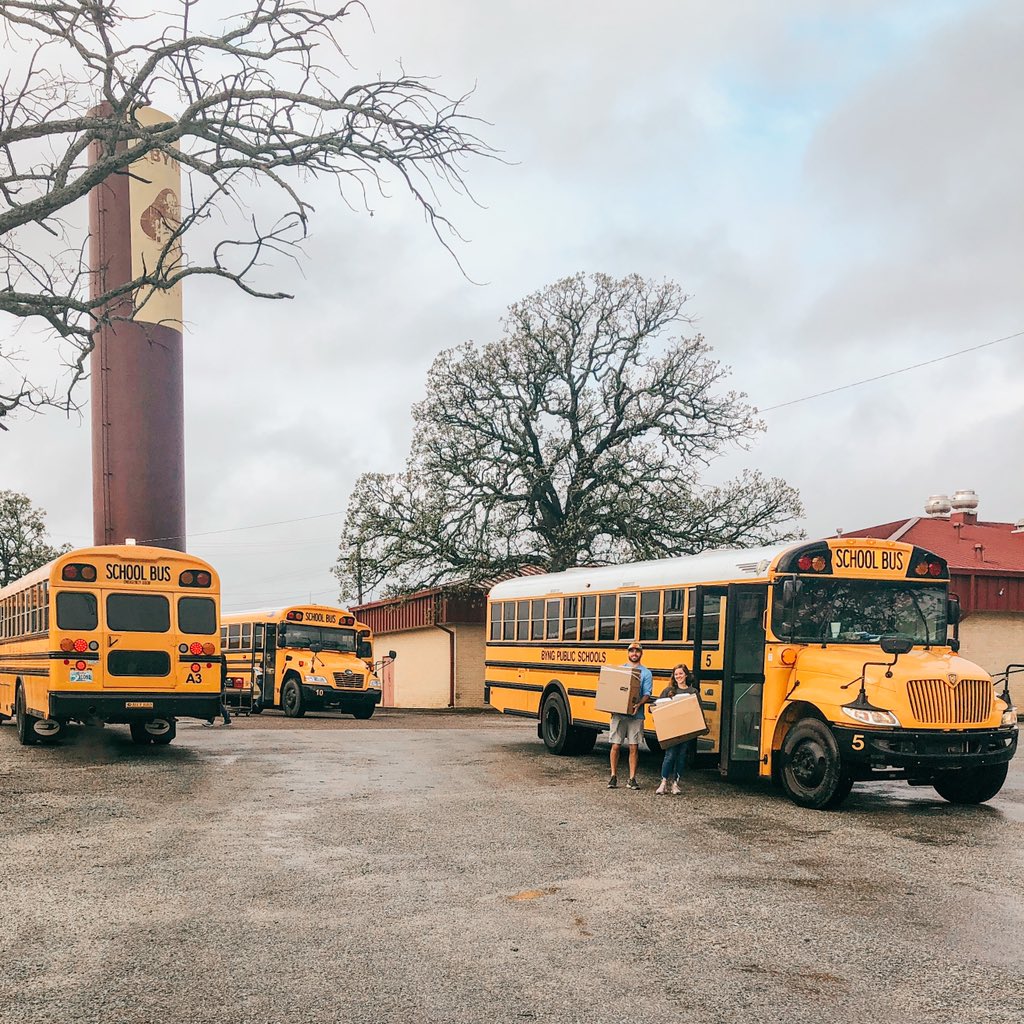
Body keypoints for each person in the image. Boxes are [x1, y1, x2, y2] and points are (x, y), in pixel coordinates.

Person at [608, 641, 653, 790]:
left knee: (634, 747)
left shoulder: (646, 673)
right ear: (628, 653)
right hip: (619, 714)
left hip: (636, 714)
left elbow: (647, 693)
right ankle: (613, 776)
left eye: (637, 651)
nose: (634, 654)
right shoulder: (620, 670)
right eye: (632, 651)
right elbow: (613, 691)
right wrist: (612, 705)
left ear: (641, 653)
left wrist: (639, 704)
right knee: (615, 745)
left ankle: (632, 778)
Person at [655, 664, 699, 795]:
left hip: (686, 729)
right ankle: (663, 783)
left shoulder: (693, 692)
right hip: (672, 729)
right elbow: (658, 706)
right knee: (670, 755)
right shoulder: (669, 691)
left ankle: (675, 783)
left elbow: (697, 710)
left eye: (681, 673)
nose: (678, 676)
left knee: (681, 756)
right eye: (676, 674)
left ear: (686, 675)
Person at [204, 654, 232, 727]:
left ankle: (213, 720)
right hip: (219, 685)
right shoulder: (223, 668)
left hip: (216, 686)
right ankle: (223, 719)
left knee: (216, 702)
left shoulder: (218, 668)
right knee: (216, 702)